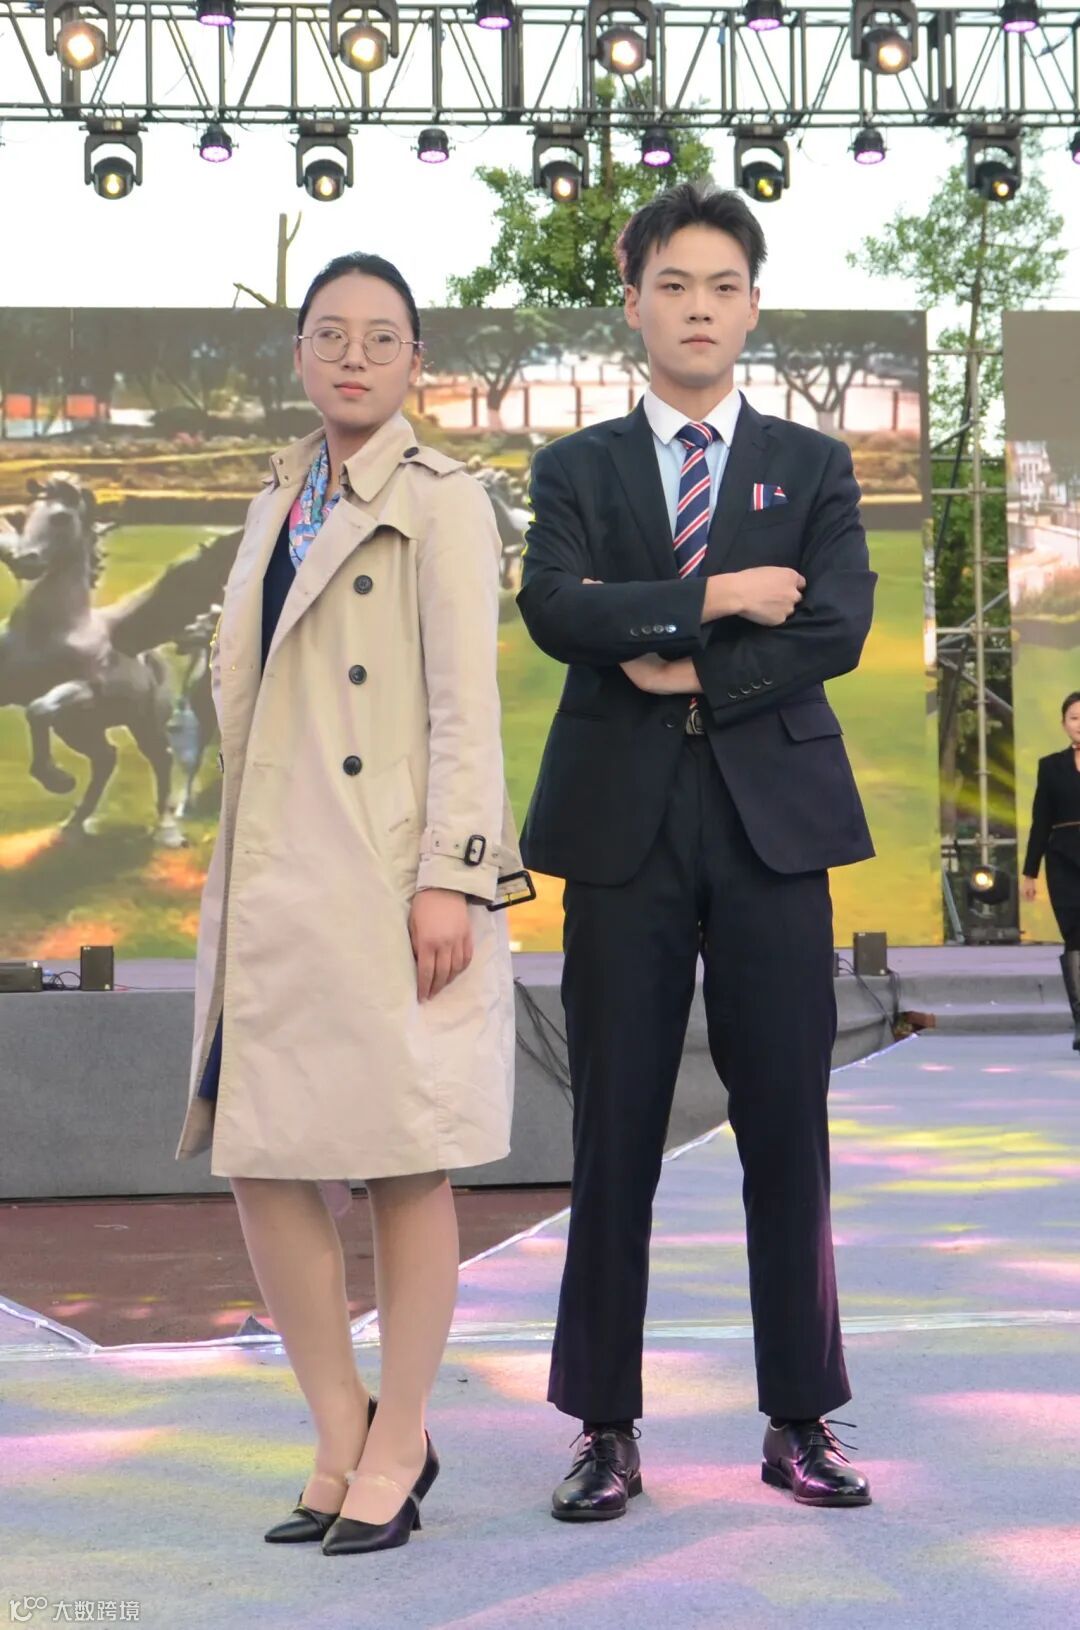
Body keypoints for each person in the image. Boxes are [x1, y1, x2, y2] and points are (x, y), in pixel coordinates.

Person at [517, 182, 877, 1521]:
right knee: (614, 1128)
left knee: (789, 1125)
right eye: (674, 284)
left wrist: (685, 669)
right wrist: (720, 598)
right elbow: (558, 608)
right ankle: (603, 1426)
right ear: (635, 303)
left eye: (724, 285)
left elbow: (835, 625)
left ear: (754, 306)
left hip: (773, 828)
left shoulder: (812, 464)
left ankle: (801, 1418)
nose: (700, 308)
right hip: (623, 830)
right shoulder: (576, 467)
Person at [175, 252, 524, 1555]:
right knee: (258, 1152)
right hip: (272, 877)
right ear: (302, 355)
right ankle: (341, 1429)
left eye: (382, 337)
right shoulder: (277, 496)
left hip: (388, 878)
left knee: (402, 1157)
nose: (355, 356)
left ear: (416, 362)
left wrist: (454, 875)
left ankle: (402, 1432)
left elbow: (466, 710)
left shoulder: (444, 501)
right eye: (331, 334)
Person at [1021, 690, 1080, 1049]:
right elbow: (1040, 821)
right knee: (1074, 934)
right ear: (1063, 724)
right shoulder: (1051, 766)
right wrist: (1030, 873)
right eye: (1074, 718)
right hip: (1064, 862)